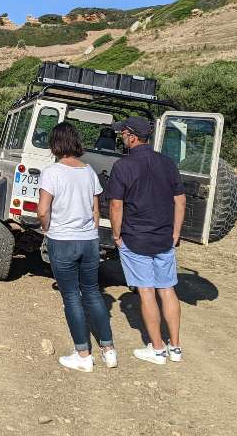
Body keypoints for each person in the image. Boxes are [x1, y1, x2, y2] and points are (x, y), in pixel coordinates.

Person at [104, 115, 187, 365]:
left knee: (147, 291)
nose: (121, 137)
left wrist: (116, 235)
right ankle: (176, 347)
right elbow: (180, 200)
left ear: (131, 135)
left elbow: (116, 205)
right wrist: (175, 233)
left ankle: (158, 350)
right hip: (163, 238)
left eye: (123, 133)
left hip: (135, 238)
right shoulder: (168, 163)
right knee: (167, 289)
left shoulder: (123, 166)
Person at [37, 122, 117, 372]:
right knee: (92, 292)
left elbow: (42, 210)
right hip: (89, 240)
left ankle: (82, 354)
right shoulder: (89, 171)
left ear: (55, 143)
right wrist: (91, 231)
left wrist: (48, 228)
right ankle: (109, 350)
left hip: (63, 240)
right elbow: (95, 209)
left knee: (71, 295)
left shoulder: (52, 172)